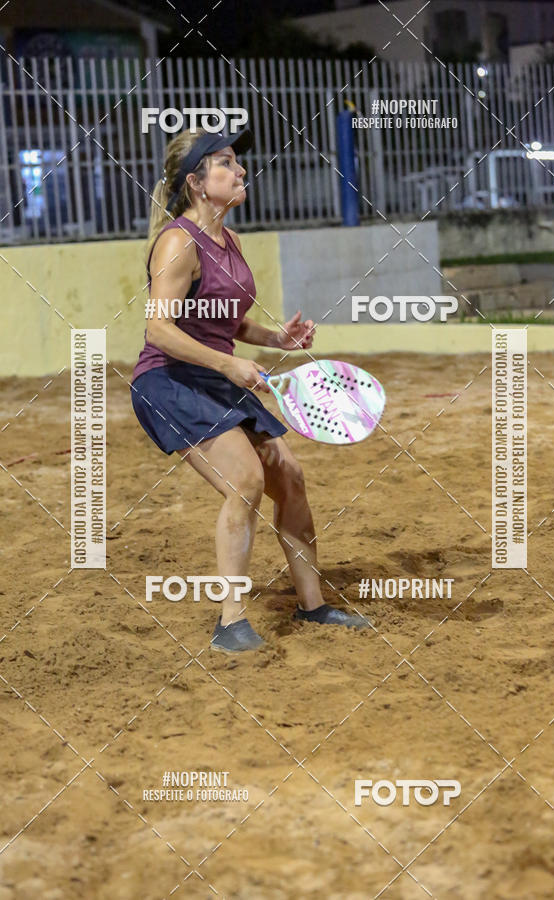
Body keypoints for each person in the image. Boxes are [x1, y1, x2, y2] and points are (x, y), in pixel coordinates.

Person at [130, 127, 369, 653]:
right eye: (227, 164)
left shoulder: (229, 239)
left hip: (212, 373)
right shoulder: (177, 241)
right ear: (196, 182)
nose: (240, 172)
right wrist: (229, 365)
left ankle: (313, 605)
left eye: (237, 164)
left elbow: (226, 320)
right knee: (245, 480)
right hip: (167, 381)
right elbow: (160, 329)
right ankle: (229, 623)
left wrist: (275, 337)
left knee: (290, 476)